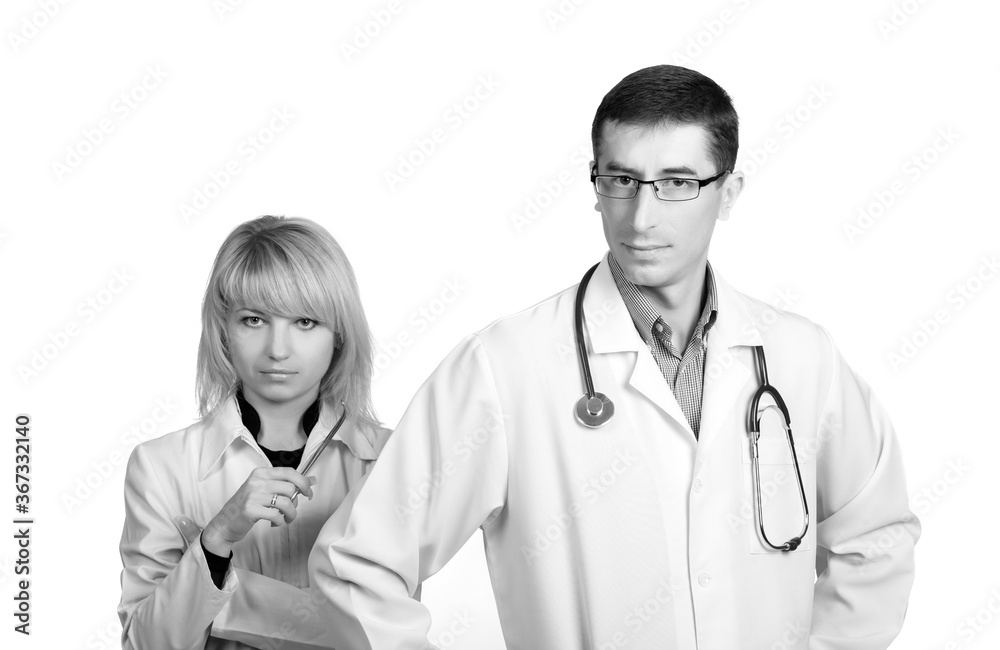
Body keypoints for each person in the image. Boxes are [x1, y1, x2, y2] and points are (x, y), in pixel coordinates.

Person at [309, 65, 921, 649]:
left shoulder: (801, 357)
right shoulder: (505, 367)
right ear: (596, 186)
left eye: (678, 183)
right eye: (621, 180)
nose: (642, 217)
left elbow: (876, 537)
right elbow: (358, 564)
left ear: (728, 193)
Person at [118, 215, 391, 649]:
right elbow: (144, 644)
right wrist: (218, 537)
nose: (278, 350)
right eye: (254, 320)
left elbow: (385, 632)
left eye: (305, 322)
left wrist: (216, 590)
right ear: (223, 330)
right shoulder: (160, 466)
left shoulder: (390, 459)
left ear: (339, 333)